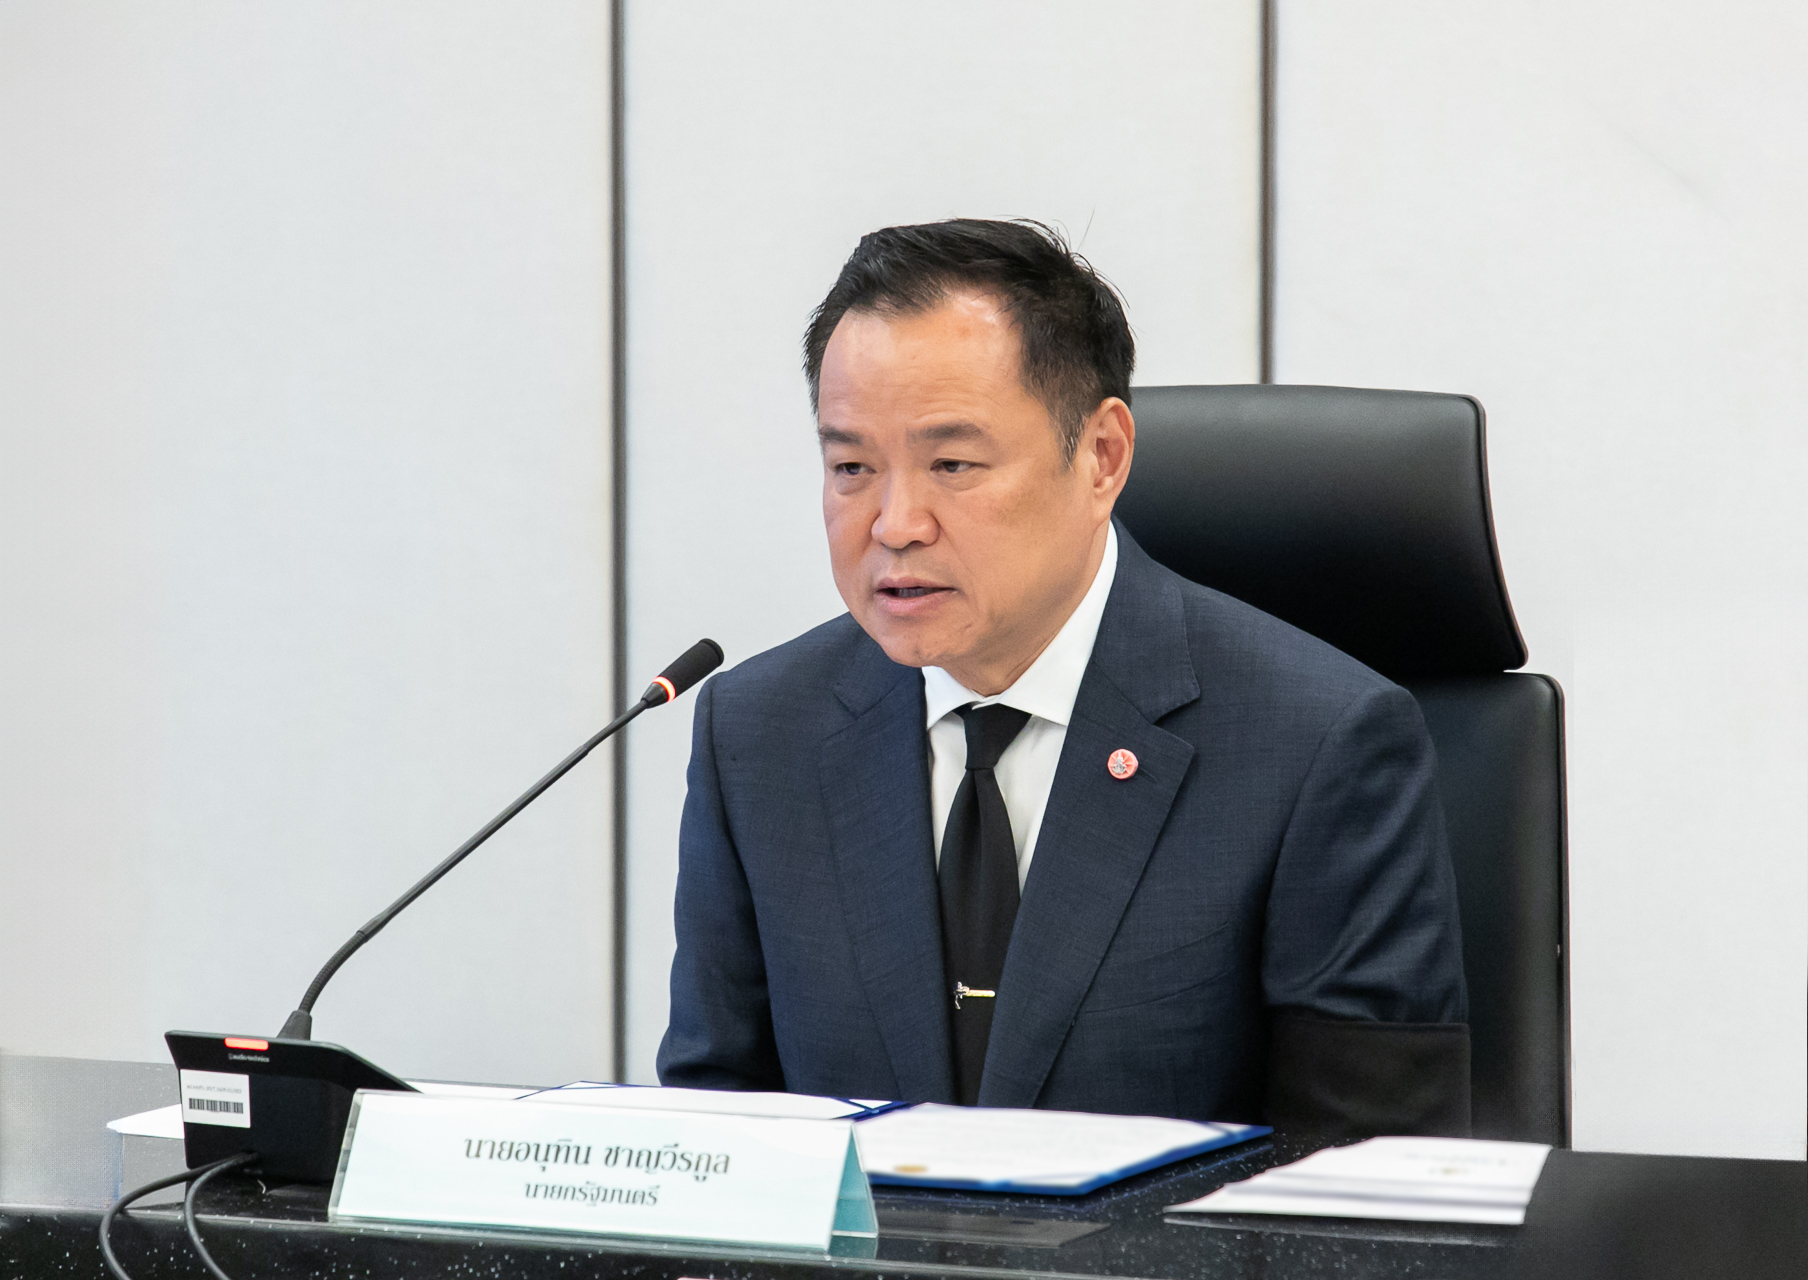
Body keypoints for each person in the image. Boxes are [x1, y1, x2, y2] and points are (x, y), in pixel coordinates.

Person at [657, 219, 1470, 1137]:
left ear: (1102, 458)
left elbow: (1361, 1183)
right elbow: (713, 1136)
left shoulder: (1317, 743)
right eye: (851, 466)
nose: (894, 524)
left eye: (952, 464)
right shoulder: (760, 734)